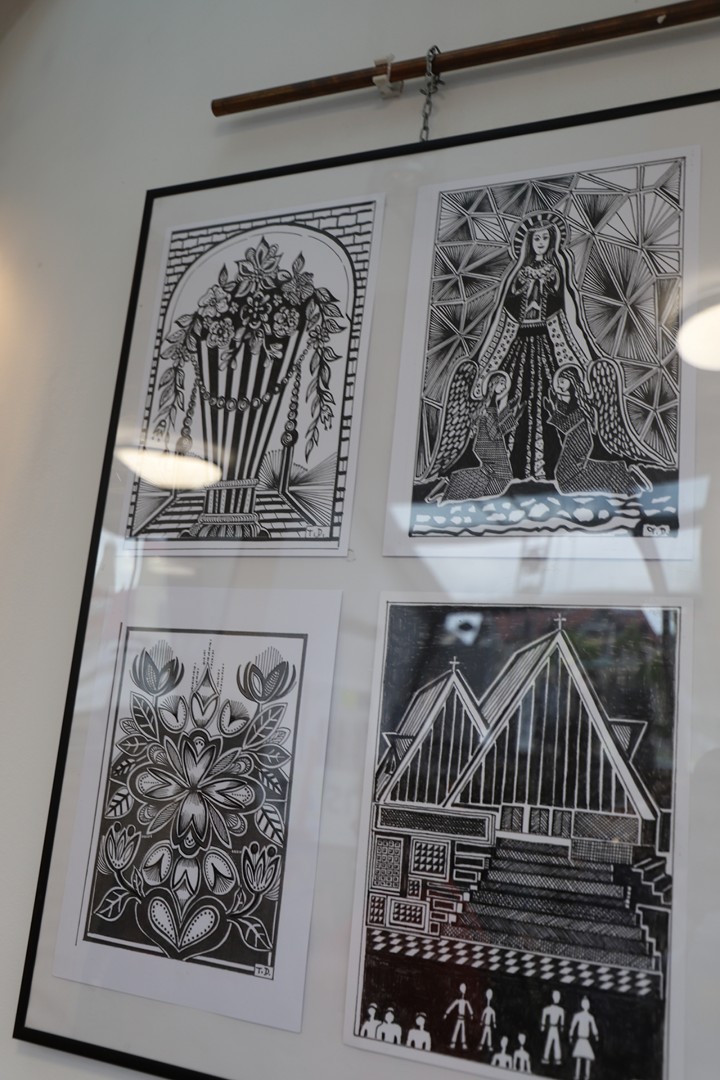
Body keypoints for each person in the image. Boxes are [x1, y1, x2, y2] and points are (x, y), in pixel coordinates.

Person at [469, 210, 596, 482]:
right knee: (518, 398)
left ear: (552, 241)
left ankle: (551, 469)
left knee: (550, 399)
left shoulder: (556, 271)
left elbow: (567, 311)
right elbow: (504, 313)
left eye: (545, 238)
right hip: (519, 345)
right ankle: (514, 469)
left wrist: (582, 359)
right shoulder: (518, 273)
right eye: (536, 238)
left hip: (547, 343)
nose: (540, 242)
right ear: (529, 241)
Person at [545, 364, 646, 496]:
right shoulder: (575, 404)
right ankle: (622, 474)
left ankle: (624, 477)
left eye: (562, 381)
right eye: (558, 382)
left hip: (579, 444)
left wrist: (554, 411)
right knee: (567, 478)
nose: (558, 385)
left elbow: (567, 425)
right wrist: (558, 407)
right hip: (575, 443)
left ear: (571, 381)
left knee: (567, 480)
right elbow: (566, 424)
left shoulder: (582, 406)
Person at [428, 371, 522, 503]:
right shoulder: (490, 405)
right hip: (488, 445)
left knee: (497, 477)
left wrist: (508, 412)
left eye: (505, 384)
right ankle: (454, 487)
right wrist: (513, 418)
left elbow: (494, 426)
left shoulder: (489, 403)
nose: (504, 387)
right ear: (493, 384)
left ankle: (451, 486)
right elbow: (494, 432)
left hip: (488, 444)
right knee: (502, 477)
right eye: (501, 383)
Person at [569, 997, 599, 1080]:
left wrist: (596, 1035)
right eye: (585, 1003)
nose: (586, 1005)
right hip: (580, 1039)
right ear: (582, 1004)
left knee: (588, 1058)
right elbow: (573, 1026)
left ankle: (587, 1076)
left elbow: (593, 1027)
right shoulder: (578, 1015)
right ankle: (577, 1075)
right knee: (578, 1058)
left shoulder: (590, 1017)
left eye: (587, 1004)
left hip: (586, 1040)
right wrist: (570, 1034)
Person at [444, 982, 474, 1050]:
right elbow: (451, 1007)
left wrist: (471, 1014)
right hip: (459, 1017)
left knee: (462, 1031)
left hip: (463, 1018)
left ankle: (463, 1043)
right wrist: (446, 1013)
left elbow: (470, 1008)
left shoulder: (466, 1002)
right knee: (457, 1029)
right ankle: (453, 1043)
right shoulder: (458, 1001)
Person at [541, 989, 565, 1065]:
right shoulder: (549, 1008)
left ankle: (557, 1058)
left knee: (556, 1043)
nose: (557, 998)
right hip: (551, 1027)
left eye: (558, 997)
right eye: (555, 996)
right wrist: (543, 1025)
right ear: (552, 996)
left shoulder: (561, 1010)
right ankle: (546, 1057)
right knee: (549, 1042)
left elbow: (562, 1020)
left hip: (555, 1028)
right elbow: (544, 1013)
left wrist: (562, 1027)